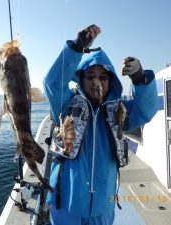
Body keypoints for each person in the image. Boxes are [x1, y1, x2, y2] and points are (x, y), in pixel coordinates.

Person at [43, 24, 159, 225]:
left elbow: (146, 110)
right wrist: (76, 48)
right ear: (81, 79)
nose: (97, 81)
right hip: (66, 203)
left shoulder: (119, 110)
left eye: (103, 77)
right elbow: (52, 84)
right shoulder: (65, 104)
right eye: (90, 76)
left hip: (103, 207)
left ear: (111, 82)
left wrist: (140, 80)